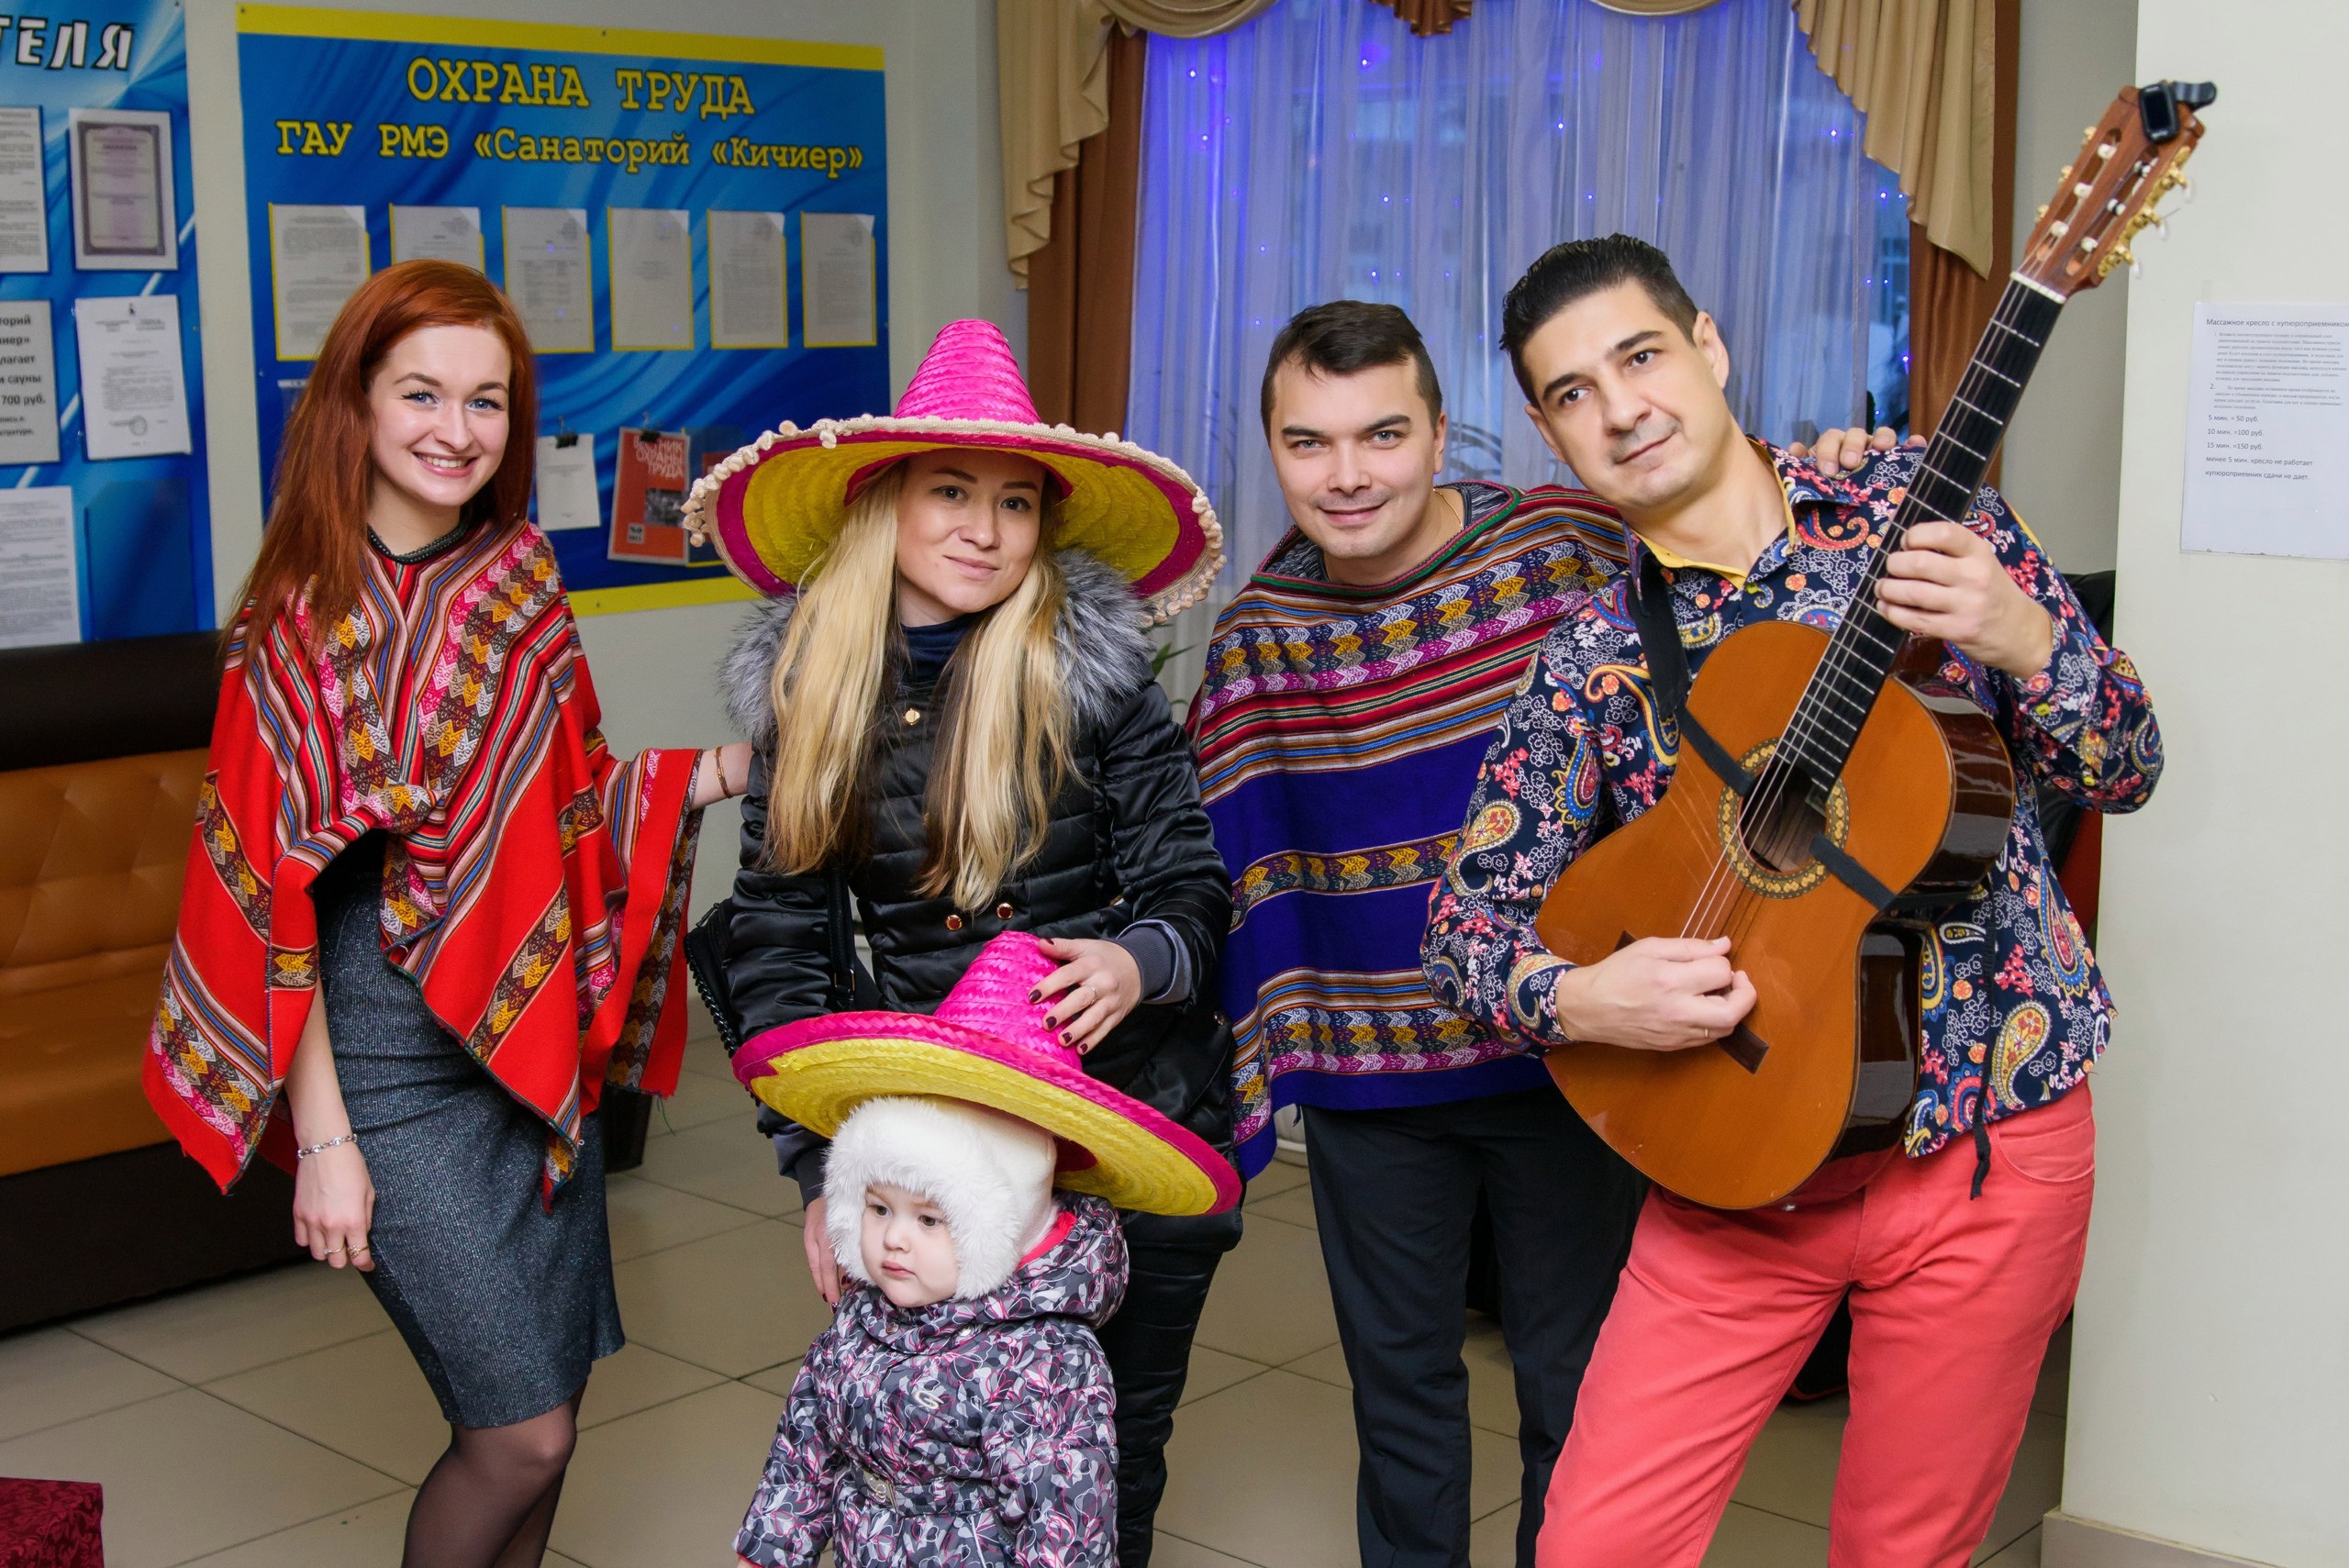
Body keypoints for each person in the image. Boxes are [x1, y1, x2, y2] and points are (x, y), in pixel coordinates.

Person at [1420, 234, 2161, 1568]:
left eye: (1641, 356)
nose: (1622, 407)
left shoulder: (1922, 511)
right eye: (1574, 391)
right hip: (1737, 1171)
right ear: (1546, 430)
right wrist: (1580, 996)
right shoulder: (1590, 659)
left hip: (1988, 1150)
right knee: (1592, 1545)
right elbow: (1463, 931)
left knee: (1905, 1548)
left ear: (1708, 346)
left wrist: (2024, 638)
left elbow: (2128, 765)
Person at [143, 260, 751, 1567]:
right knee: (517, 1433)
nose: (456, 429)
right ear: (355, 400)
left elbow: (566, 804)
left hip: (523, 1034)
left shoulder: (518, 571)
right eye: (421, 392)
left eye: (487, 400)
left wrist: (723, 769)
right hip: (382, 1062)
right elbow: (271, 910)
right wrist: (324, 1140)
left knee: (553, 1412)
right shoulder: (291, 621)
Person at [694, 318, 1239, 1567]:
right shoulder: (814, 694)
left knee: (1106, 1462)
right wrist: (827, 1177)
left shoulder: (1098, 680)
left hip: (1131, 1117)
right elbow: (780, 948)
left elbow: (1190, 882)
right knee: (931, 1468)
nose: (983, 530)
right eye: (951, 491)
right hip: (940, 1152)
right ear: (884, 499)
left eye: (1014, 502)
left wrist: (1137, 961)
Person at [730, 931, 1240, 1567]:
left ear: (1003, 1225)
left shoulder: (1044, 1364)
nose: (894, 1237)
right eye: (879, 1208)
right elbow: (805, 1447)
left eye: (930, 1218)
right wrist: (771, 1549)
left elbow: (1065, 1529)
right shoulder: (861, 1320)